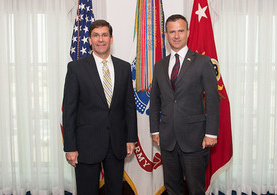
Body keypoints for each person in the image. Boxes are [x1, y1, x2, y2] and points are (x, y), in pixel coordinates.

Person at [62, 19, 137, 195]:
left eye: (104, 35)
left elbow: (129, 106)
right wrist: (70, 147)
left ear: (111, 39)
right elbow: (69, 111)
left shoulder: (124, 67)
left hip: (116, 143)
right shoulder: (76, 69)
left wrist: (131, 138)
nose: (100, 39)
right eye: (96, 35)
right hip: (86, 145)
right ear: (89, 40)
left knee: (115, 191)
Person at [149, 14, 220, 195]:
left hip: (195, 140)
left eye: (181, 31)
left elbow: (212, 99)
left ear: (188, 32)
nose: (176, 35)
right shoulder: (159, 65)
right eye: (172, 32)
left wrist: (211, 133)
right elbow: (155, 100)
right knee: (172, 189)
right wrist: (155, 130)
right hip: (167, 140)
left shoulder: (203, 62)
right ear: (166, 34)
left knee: (196, 189)